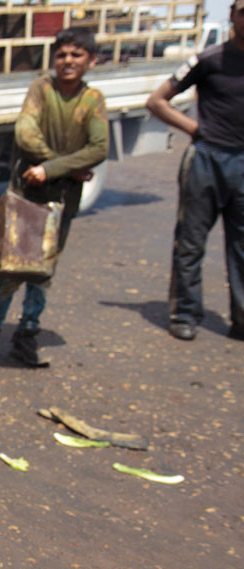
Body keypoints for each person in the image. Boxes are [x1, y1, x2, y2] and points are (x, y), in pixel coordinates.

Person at [0, 28, 109, 367]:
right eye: (62, 55)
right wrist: (59, 166)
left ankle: (26, 338)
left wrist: (53, 169)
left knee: (44, 274)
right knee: (11, 271)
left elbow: (100, 147)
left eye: (76, 55)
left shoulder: (93, 100)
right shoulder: (41, 89)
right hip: (27, 195)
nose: (68, 62)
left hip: (61, 199)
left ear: (91, 61)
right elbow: (26, 133)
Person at [145, 0, 244, 342]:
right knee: (190, 243)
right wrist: (194, 129)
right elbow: (157, 101)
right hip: (207, 160)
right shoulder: (208, 60)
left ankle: (242, 320)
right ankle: (185, 314)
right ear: (232, 14)